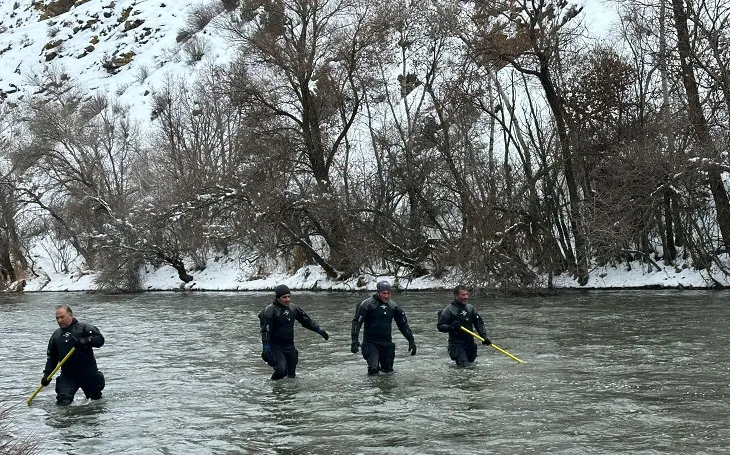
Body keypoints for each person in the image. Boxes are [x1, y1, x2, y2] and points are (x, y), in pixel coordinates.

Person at [258, 284, 330, 380]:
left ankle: (288, 394)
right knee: (281, 370)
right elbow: (265, 330)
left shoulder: (293, 308)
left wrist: (319, 330)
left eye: (289, 296)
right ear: (278, 298)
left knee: (291, 376)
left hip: (290, 346)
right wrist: (266, 348)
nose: (287, 299)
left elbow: (306, 321)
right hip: (275, 347)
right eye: (284, 297)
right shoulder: (270, 310)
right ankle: (272, 388)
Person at [41, 305, 105, 405]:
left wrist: (86, 340)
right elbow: (52, 358)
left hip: (88, 373)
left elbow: (100, 340)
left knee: (96, 402)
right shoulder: (56, 335)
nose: (59, 320)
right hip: (68, 375)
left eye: (62, 317)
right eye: (57, 318)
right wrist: (47, 375)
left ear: (71, 315)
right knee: (62, 402)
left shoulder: (84, 328)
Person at [351, 280, 417, 375]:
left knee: (388, 372)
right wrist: (354, 339)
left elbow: (403, 324)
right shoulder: (367, 305)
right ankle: (371, 389)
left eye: (388, 293)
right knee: (373, 369)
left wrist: (411, 340)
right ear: (378, 292)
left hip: (387, 343)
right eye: (384, 293)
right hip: (371, 343)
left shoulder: (393, 306)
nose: (386, 296)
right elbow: (357, 322)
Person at [437, 285, 491, 366]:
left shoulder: (470, 308)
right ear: (456, 296)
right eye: (463, 295)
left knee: (471, 367)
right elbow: (440, 326)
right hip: (456, 344)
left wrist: (484, 336)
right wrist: (451, 327)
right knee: (464, 367)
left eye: (466, 294)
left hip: (470, 343)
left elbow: (479, 322)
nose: (466, 297)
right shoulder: (449, 310)